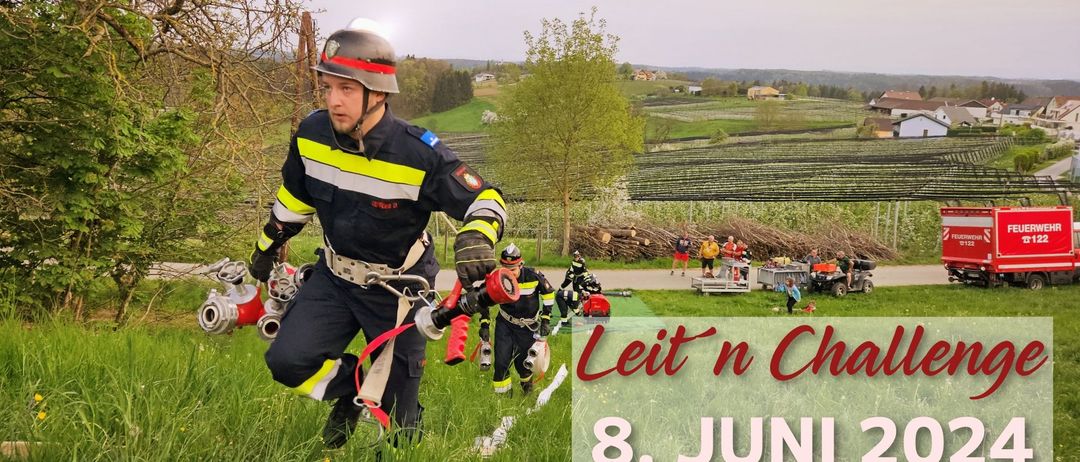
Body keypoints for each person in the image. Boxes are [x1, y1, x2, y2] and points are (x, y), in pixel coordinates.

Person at [252, 21, 508, 450]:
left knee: (400, 423)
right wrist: (266, 247)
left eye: (347, 90)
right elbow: (294, 198)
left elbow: (487, 199)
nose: (334, 101)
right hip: (334, 278)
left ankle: (393, 424)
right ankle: (352, 391)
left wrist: (478, 236)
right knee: (287, 362)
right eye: (328, 87)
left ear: (379, 94)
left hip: (399, 290)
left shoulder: (419, 152)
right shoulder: (311, 134)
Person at [477, 244, 554, 395]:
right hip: (505, 325)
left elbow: (549, 295)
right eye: (506, 269)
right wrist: (484, 324)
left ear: (521, 264)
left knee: (524, 364)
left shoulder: (533, 276)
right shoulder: (497, 278)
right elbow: (482, 300)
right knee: (501, 363)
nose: (510, 274)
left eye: (513, 270)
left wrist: (545, 319)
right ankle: (503, 398)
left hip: (527, 327)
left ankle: (527, 392)